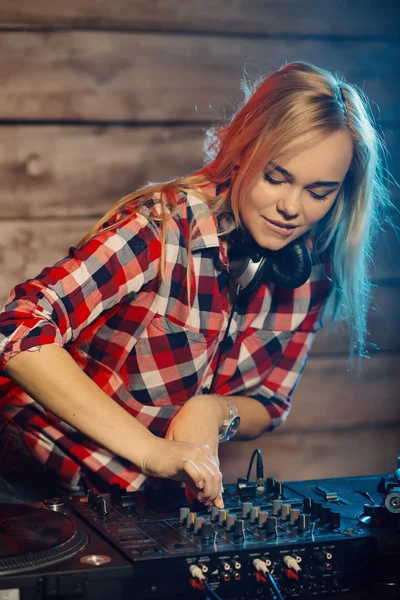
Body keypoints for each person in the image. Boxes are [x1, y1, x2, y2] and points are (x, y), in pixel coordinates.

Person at [0, 61, 390, 507]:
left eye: (319, 192)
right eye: (276, 177)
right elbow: (17, 329)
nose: (291, 207)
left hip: (131, 504)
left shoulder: (309, 269)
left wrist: (215, 410)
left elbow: (270, 403)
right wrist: (149, 449)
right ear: (243, 152)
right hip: (27, 475)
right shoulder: (160, 228)